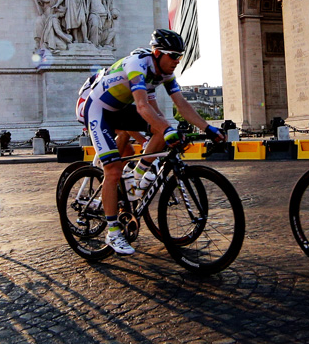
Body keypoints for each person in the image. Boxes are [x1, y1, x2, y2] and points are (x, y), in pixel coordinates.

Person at [79, 29, 223, 256]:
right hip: (99, 111)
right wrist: (167, 131)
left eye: (180, 56)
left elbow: (182, 104)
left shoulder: (166, 73)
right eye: (173, 56)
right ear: (157, 53)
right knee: (113, 171)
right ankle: (113, 232)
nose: (177, 61)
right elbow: (143, 106)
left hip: (120, 110)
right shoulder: (138, 64)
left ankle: (138, 177)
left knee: (160, 129)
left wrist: (209, 128)